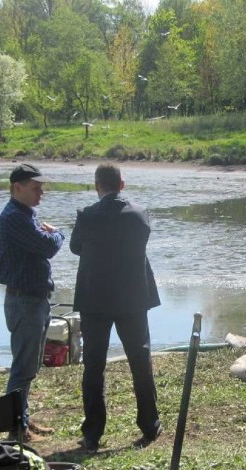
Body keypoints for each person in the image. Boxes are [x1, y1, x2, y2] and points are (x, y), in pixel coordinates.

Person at [70, 163, 162, 452]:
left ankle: (93, 434)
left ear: (97, 186)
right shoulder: (139, 215)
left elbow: (75, 248)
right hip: (132, 300)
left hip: (95, 300)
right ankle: (150, 424)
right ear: (122, 184)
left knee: (94, 366)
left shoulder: (87, 216)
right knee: (140, 361)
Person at [0, 163, 65, 441]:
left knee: (29, 365)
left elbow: (40, 245)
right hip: (25, 302)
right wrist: (57, 233)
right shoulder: (14, 217)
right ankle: (16, 428)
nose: (41, 193)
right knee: (23, 367)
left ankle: (21, 418)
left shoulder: (24, 215)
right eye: (36, 188)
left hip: (32, 300)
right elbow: (48, 246)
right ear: (17, 188)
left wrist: (48, 235)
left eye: (42, 188)